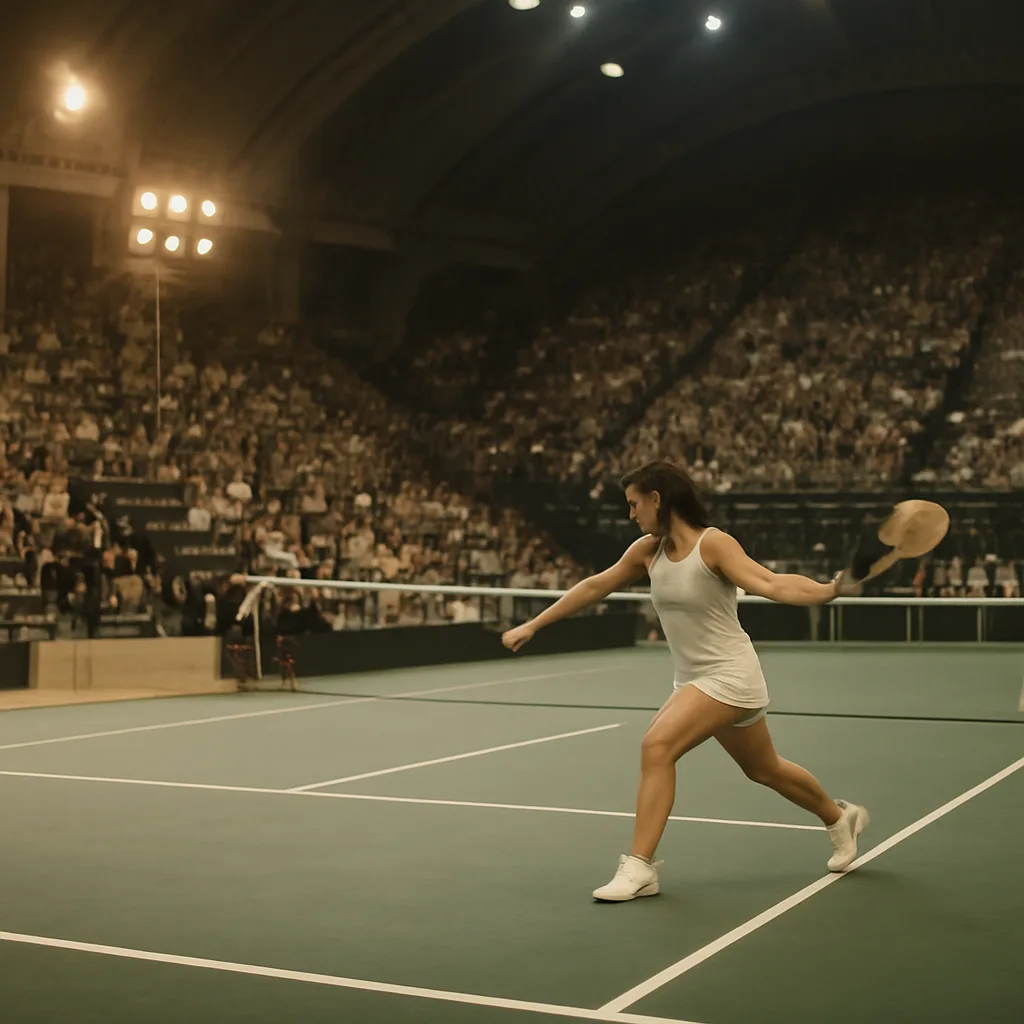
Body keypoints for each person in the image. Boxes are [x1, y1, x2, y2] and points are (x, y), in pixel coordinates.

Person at [501, 460, 867, 902]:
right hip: (693, 679)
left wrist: (829, 589)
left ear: (658, 498)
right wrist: (534, 625)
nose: (631, 514)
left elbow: (770, 582)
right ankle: (838, 817)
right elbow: (595, 586)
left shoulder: (713, 545)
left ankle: (640, 867)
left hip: (731, 674)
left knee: (657, 746)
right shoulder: (647, 551)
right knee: (763, 768)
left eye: (635, 504)